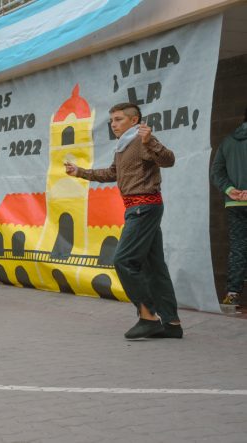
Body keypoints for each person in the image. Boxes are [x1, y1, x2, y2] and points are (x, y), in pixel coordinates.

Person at [65, 102, 181, 340]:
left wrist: (151, 141)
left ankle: (148, 317)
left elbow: (169, 160)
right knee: (155, 267)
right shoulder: (124, 145)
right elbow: (113, 173)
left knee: (124, 261)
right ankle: (172, 323)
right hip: (138, 208)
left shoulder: (142, 140)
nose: (113, 124)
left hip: (144, 207)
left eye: (118, 119)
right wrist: (80, 172)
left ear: (134, 120)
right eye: (111, 121)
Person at [210, 108, 247, 309]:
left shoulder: (228, 141)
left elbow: (216, 172)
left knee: (239, 247)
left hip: (235, 202)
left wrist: (230, 189)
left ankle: (233, 294)